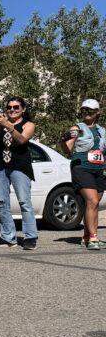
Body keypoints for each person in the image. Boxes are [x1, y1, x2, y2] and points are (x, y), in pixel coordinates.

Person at [0, 97, 38, 250]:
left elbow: (21, 140)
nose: (12, 110)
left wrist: (9, 126)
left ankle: (30, 236)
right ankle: (8, 237)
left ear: (23, 109)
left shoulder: (28, 124)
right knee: (1, 202)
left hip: (19, 166)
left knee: (24, 202)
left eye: (16, 107)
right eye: (9, 107)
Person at [62, 99, 106, 250]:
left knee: (93, 204)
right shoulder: (78, 128)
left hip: (98, 169)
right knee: (92, 201)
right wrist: (64, 139)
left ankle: (87, 237)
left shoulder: (102, 130)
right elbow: (67, 149)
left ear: (97, 112)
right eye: (84, 110)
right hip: (81, 167)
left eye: (90, 110)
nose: (87, 113)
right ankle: (93, 238)